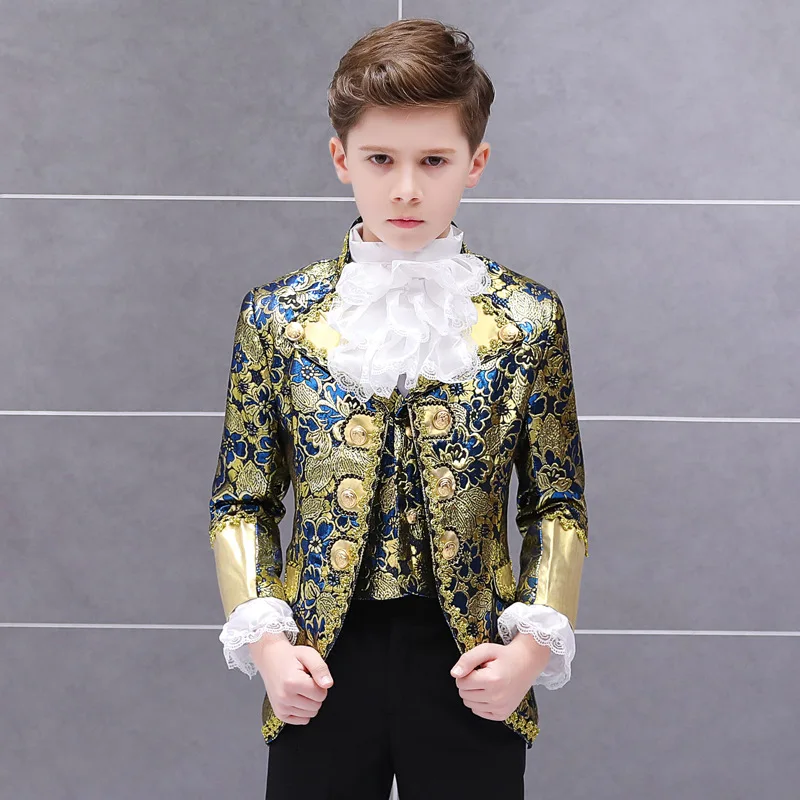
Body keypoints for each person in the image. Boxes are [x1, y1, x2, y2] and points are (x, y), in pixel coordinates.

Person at [208, 17, 589, 800]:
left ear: (475, 164)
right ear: (341, 158)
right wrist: (270, 646)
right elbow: (242, 500)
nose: (407, 188)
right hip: (319, 657)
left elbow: (556, 503)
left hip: (470, 658)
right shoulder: (278, 317)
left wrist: (529, 652)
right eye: (381, 159)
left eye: (434, 160)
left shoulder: (528, 319)